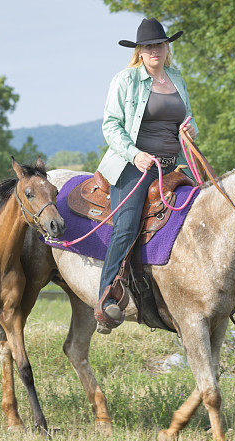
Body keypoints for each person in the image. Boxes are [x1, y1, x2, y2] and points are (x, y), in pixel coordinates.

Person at [94, 17, 198, 333]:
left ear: (167, 48)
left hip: (171, 167)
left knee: (200, 213)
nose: (155, 50)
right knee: (126, 226)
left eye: (160, 44)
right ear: (140, 51)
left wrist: (191, 129)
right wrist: (135, 154)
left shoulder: (177, 78)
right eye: (149, 46)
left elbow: (186, 118)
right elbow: (111, 125)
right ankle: (106, 300)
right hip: (132, 167)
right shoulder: (125, 80)